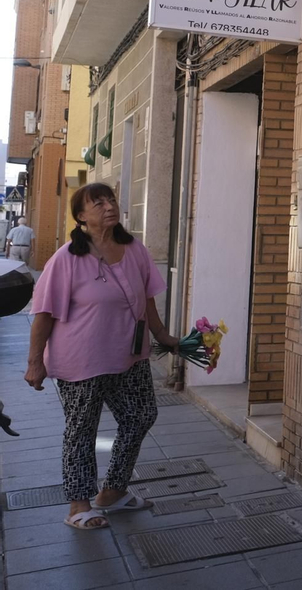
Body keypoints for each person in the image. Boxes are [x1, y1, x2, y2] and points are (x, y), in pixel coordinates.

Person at [23, 183, 179, 531]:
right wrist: (35, 362)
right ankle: (78, 505)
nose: (109, 207)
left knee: (141, 415)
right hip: (81, 360)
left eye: (111, 200)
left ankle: (113, 491)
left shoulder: (134, 249)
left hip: (129, 356)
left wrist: (164, 337)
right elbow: (44, 313)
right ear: (81, 216)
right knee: (82, 429)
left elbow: (147, 300)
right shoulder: (66, 259)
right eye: (99, 203)